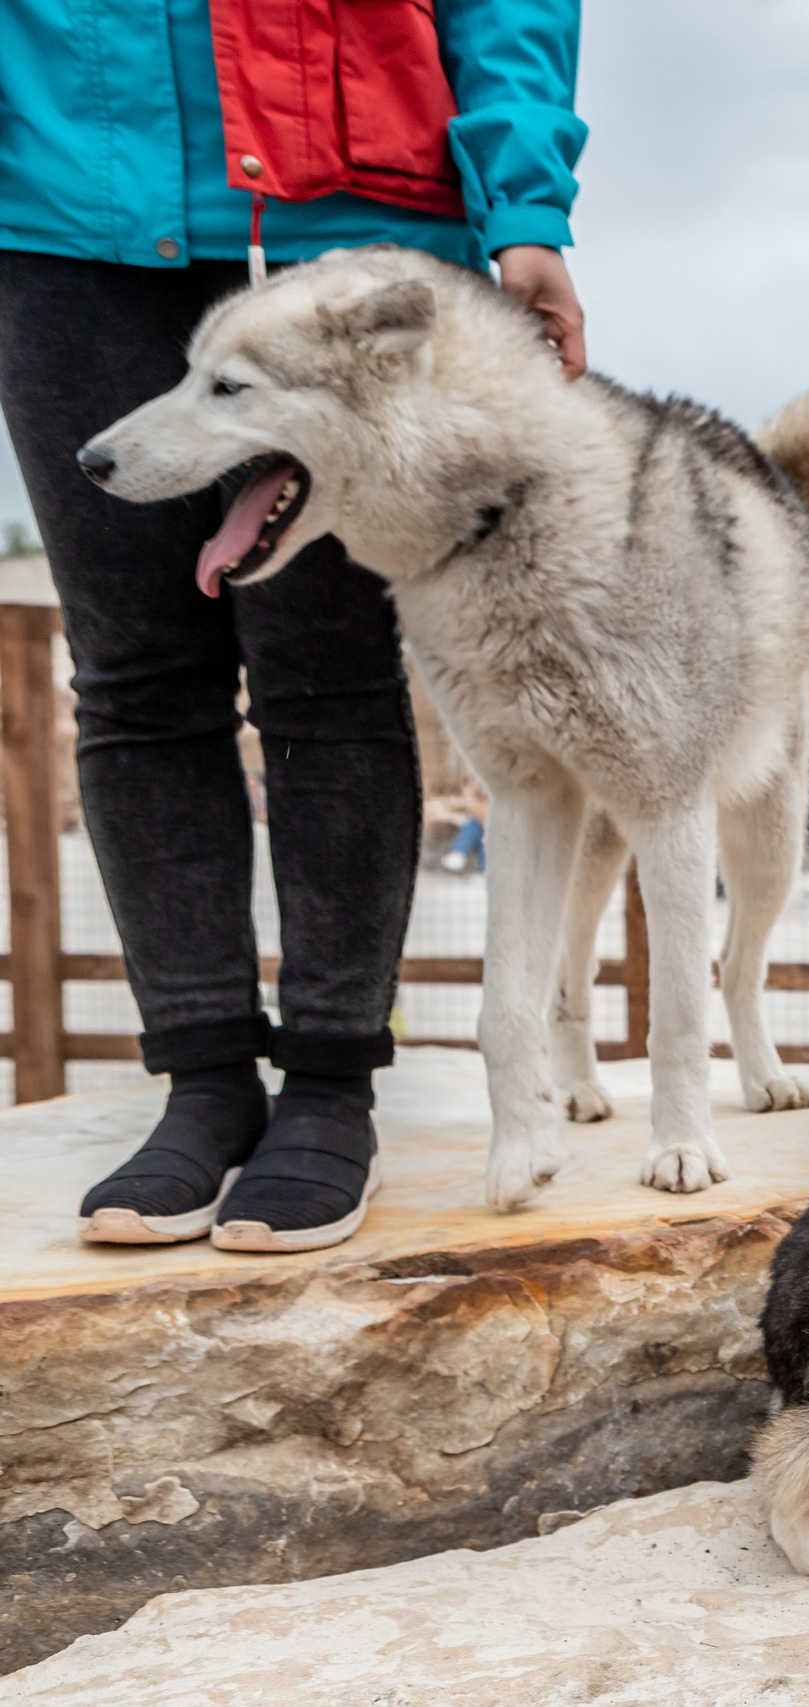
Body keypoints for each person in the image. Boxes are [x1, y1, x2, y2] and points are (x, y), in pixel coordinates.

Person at [0, 1, 586, 1251]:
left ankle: (329, 1088)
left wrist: (525, 199)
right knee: (134, 673)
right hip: (59, 206)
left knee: (327, 675)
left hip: (343, 212)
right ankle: (203, 1086)